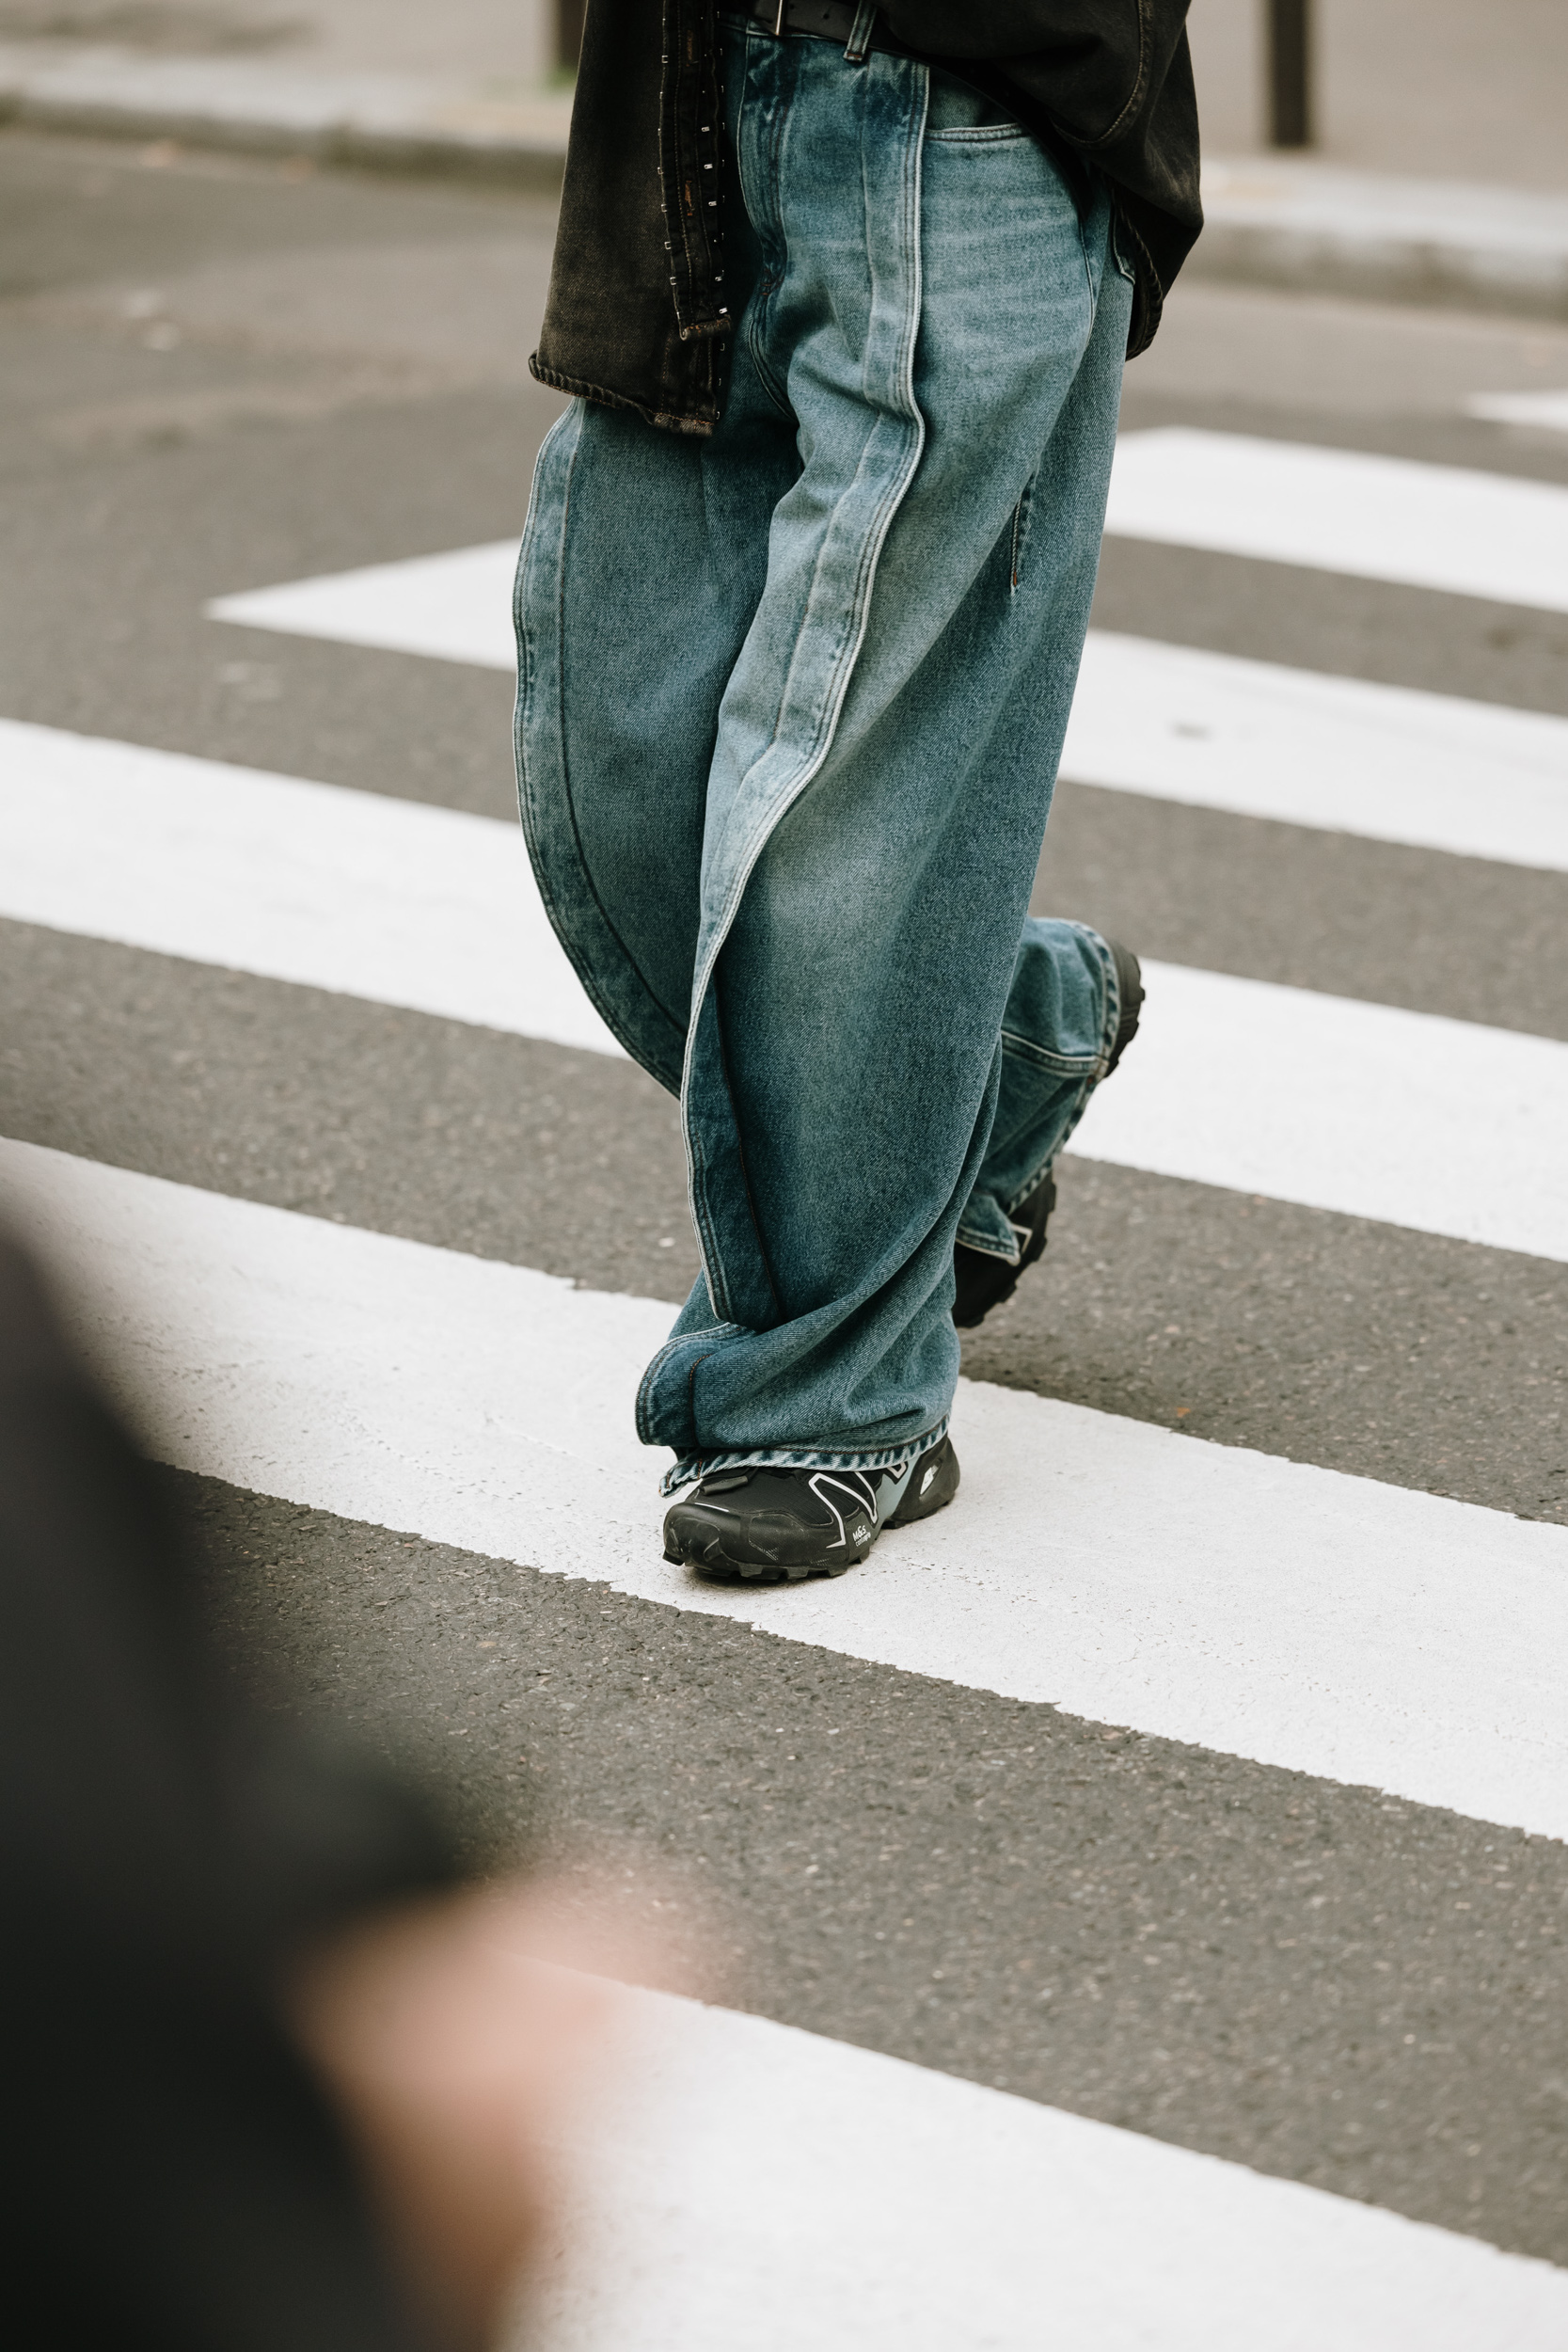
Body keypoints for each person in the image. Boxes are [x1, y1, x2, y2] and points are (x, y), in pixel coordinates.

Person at [515, 0, 1200, 1585]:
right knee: (619, 778)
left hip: (970, 107)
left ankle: (830, 1393)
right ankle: (1003, 1026)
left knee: (833, 804)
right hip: (686, 107)